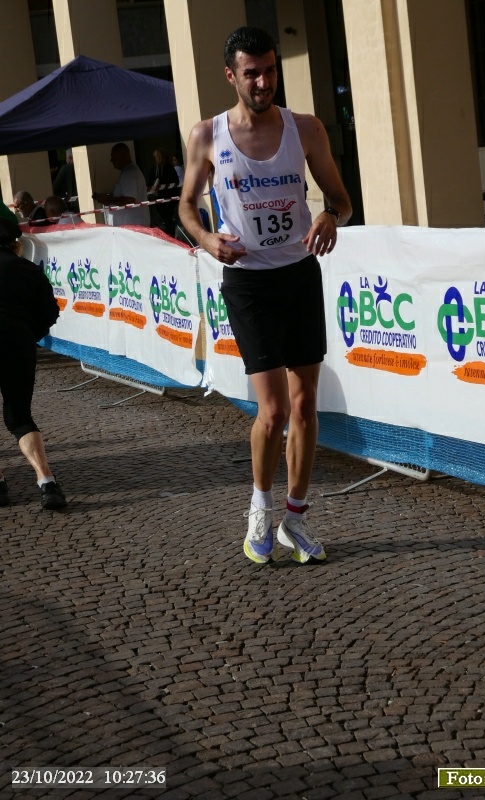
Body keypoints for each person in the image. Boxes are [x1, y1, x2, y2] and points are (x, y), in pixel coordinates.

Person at [179, 26, 351, 565]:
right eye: (251, 73)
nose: (263, 82)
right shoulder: (207, 135)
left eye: (270, 70)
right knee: (272, 410)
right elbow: (185, 206)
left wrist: (330, 215)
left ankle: (295, 520)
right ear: (231, 76)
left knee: (305, 405)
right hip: (249, 282)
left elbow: (341, 199)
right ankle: (260, 507)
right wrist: (207, 240)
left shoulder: (306, 129)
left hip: (298, 274)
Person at [0, 217, 67, 510]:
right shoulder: (28, 270)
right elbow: (50, 312)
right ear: (14, 243)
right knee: (20, 418)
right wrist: (28, 335)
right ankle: (46, 480)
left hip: (17, 341)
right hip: (18, 345)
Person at [92, 142, 150, 227]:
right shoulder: (129, 171)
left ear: (122, 156)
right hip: (131, 226)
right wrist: (109, 198)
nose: (111, 160)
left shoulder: (129, 173)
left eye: (113, 157)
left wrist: (109, 200)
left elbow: (129, 200)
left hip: (132, 226)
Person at [146, 147, 180, 235]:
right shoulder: (170, 168)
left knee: (164, 218)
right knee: (170, 218)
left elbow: (148, 182)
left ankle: (167, 234)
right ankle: (172, 233)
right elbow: (176, 181)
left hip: (159, 198)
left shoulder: (154, 169)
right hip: (171, 197)